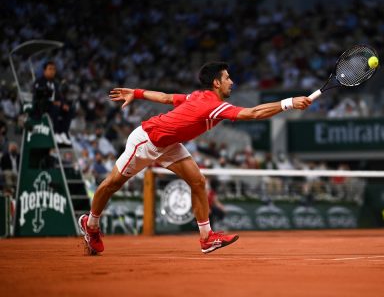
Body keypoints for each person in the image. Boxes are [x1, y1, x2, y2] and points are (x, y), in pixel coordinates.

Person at [78, 61, 312, 254]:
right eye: (228, 78)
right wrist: (288, 103)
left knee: (198, 181)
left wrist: (137, 93)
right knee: (113, 184)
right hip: (147, 140)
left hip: (169, 145)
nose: (232, 81)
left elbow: (167, 98)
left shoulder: (198, 96)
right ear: (216, 82)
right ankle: (91, 225)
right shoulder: (210, 105)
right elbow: (252, 113)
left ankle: (206, 237)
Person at [32, 61, 73, 145]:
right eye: (50, 69)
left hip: (54, 106)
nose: (52, 71)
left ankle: (63, 133)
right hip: (42, 106)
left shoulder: (55, 83)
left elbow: (60, 97)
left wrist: (63, 104)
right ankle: (55, 132)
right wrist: (52, 102)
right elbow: (38, 97)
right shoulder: (39, 82)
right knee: (56, 107)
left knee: (70, 109)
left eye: (54, 69)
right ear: (44, 71)